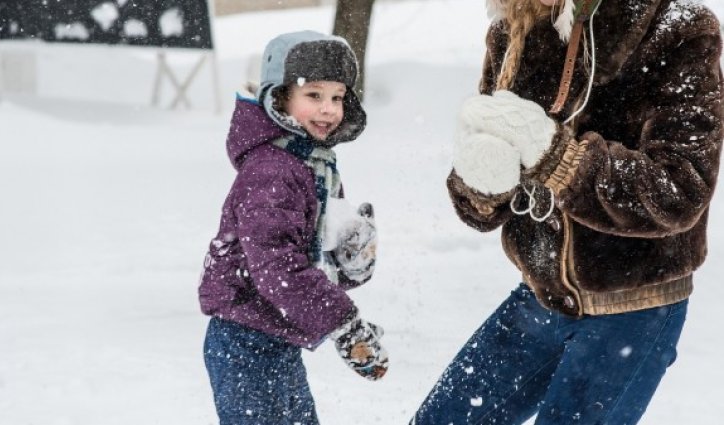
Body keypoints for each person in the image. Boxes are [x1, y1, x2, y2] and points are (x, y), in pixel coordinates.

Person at [412, 0, 723, 424]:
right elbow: (484, 202)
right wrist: (481, 180)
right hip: (540, 295)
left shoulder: (678, 27)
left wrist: (562, 160)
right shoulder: (514, 28)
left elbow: (679, 191)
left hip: (633, 309)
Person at [198, 30, 388, 424]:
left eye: (337, 97)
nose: (328, 110)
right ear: (280, 98)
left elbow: (308, 262)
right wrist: (344, 324)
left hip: (277, 336)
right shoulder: (271, 171)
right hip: (243, 341)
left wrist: (349, 264)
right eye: (314, 95)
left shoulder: (313, 163)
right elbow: (278, 270)